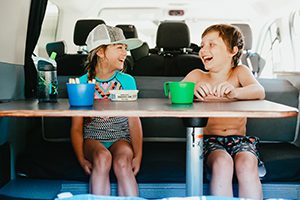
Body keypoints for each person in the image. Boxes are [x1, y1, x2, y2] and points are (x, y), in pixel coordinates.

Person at [182, 24, 265, 199]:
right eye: (202, 45)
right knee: (222, 163)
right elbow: (172, 93)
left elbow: (259, 91)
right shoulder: (197, 75)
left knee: (247, 164)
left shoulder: (240, 72)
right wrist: (192, 89)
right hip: (208, 141)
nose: (203, 50)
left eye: (212, 44)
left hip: (239, 139)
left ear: (232, 50)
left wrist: (236, 92)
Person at [71, 24, 143, 196]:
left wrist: (138, 155)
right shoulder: (81, 83)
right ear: (100, 52)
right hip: (93, 138)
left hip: (120, 138)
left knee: (123, 162)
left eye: (125, 48)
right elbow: (76, 127)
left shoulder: (127, 81)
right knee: (103, 158)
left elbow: (134, 121)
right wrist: (81, 159)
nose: (125, 53)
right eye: (119, 47)